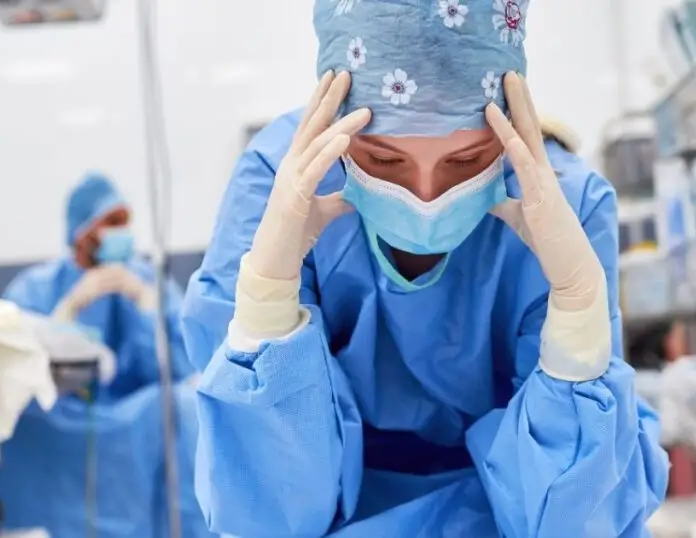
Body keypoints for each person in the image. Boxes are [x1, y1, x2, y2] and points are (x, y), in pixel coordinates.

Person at [180, 2, 669, 537]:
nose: (427, 198)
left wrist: (577, 313)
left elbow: (578, 519)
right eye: (384, 161)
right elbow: (269, 515)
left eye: (468, 160)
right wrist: (267, 308)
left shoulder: (562, 205)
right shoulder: (282, 185)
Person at [0, 172, 210, 538]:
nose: (121, 232)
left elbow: (180, 365)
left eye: (125, 222)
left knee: (183, 404)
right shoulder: (37, 287)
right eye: (110, 223)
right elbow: (14, 367)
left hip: (135, 413)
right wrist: (70, 307)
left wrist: (144, 304)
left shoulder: (146, 280)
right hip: (59, 417)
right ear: (82, 233)